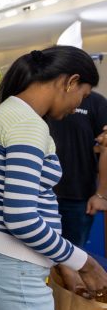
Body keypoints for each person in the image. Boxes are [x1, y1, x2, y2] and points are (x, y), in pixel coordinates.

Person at [0, 46, 107, 310]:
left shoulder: (4, 115)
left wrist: (59, 261)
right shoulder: (27, 125)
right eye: (83, 96)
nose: (77, 107)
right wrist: (83, 262)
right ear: (70, 81)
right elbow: (20, 217)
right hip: (14, 273)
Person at [48, 91, 107, 248]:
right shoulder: (48, 98)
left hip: (77, 198)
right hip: (41, 193)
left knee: (72, 261)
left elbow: (105, 146)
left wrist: (101, 194)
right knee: (41, 260)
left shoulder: (96, 103)